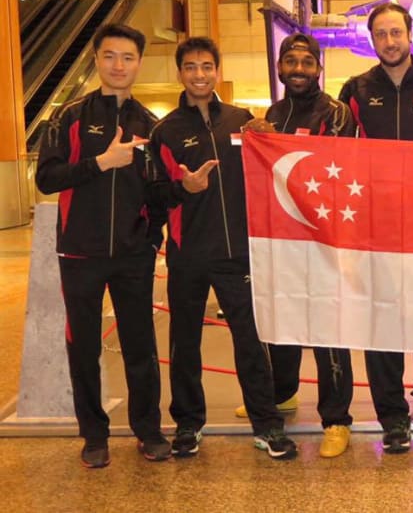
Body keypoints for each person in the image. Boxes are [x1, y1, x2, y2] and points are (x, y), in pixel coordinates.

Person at [149, 37, 296, 460]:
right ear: (180, 73)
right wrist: (183, 187)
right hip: (188, 254)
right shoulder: (166, 131)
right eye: (191, 67)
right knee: (185, 344)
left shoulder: (242, 121)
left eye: (207, 66)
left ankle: (267, 425)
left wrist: (271, 140)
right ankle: (188, 425)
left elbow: (270, 175)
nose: (199, 74)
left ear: (217, 70)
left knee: (251, 343)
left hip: (238, 255)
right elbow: (154, 195)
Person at [35, 23, 170, 468]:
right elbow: (48, 178)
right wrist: (100, 162)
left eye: (127, 58)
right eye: (110, 56)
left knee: (140, 348)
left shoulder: (149, 124)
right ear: (96, 60)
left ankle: (147, 431)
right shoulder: (68, 117)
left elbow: (157, 192)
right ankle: (94, 434)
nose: (118, 66)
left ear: (138, 64)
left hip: (133, 257)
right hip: (80, 255)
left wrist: (150, 242)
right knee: (84, 347)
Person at [338, 1, 413, 453]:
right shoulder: (355, 89)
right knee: (382, 318)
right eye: (381, 34)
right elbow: (338, 150)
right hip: (376, 224)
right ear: (372, 40)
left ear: (410, 34)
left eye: (396, 32)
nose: (389, 41)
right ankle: (391, 415)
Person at [239, 32, 357, 458]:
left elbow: (338, 169)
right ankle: (283, 393)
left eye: (308, 63)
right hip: (284, 239)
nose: (300, 70)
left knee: (329, 330)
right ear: (280, 68)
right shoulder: (274, 112)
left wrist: (279, 144)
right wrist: (258, 140)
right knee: (283, 315)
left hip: (325, 239)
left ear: (319, 68)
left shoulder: (338, 113)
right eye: (292, 62)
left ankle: (336, 418)